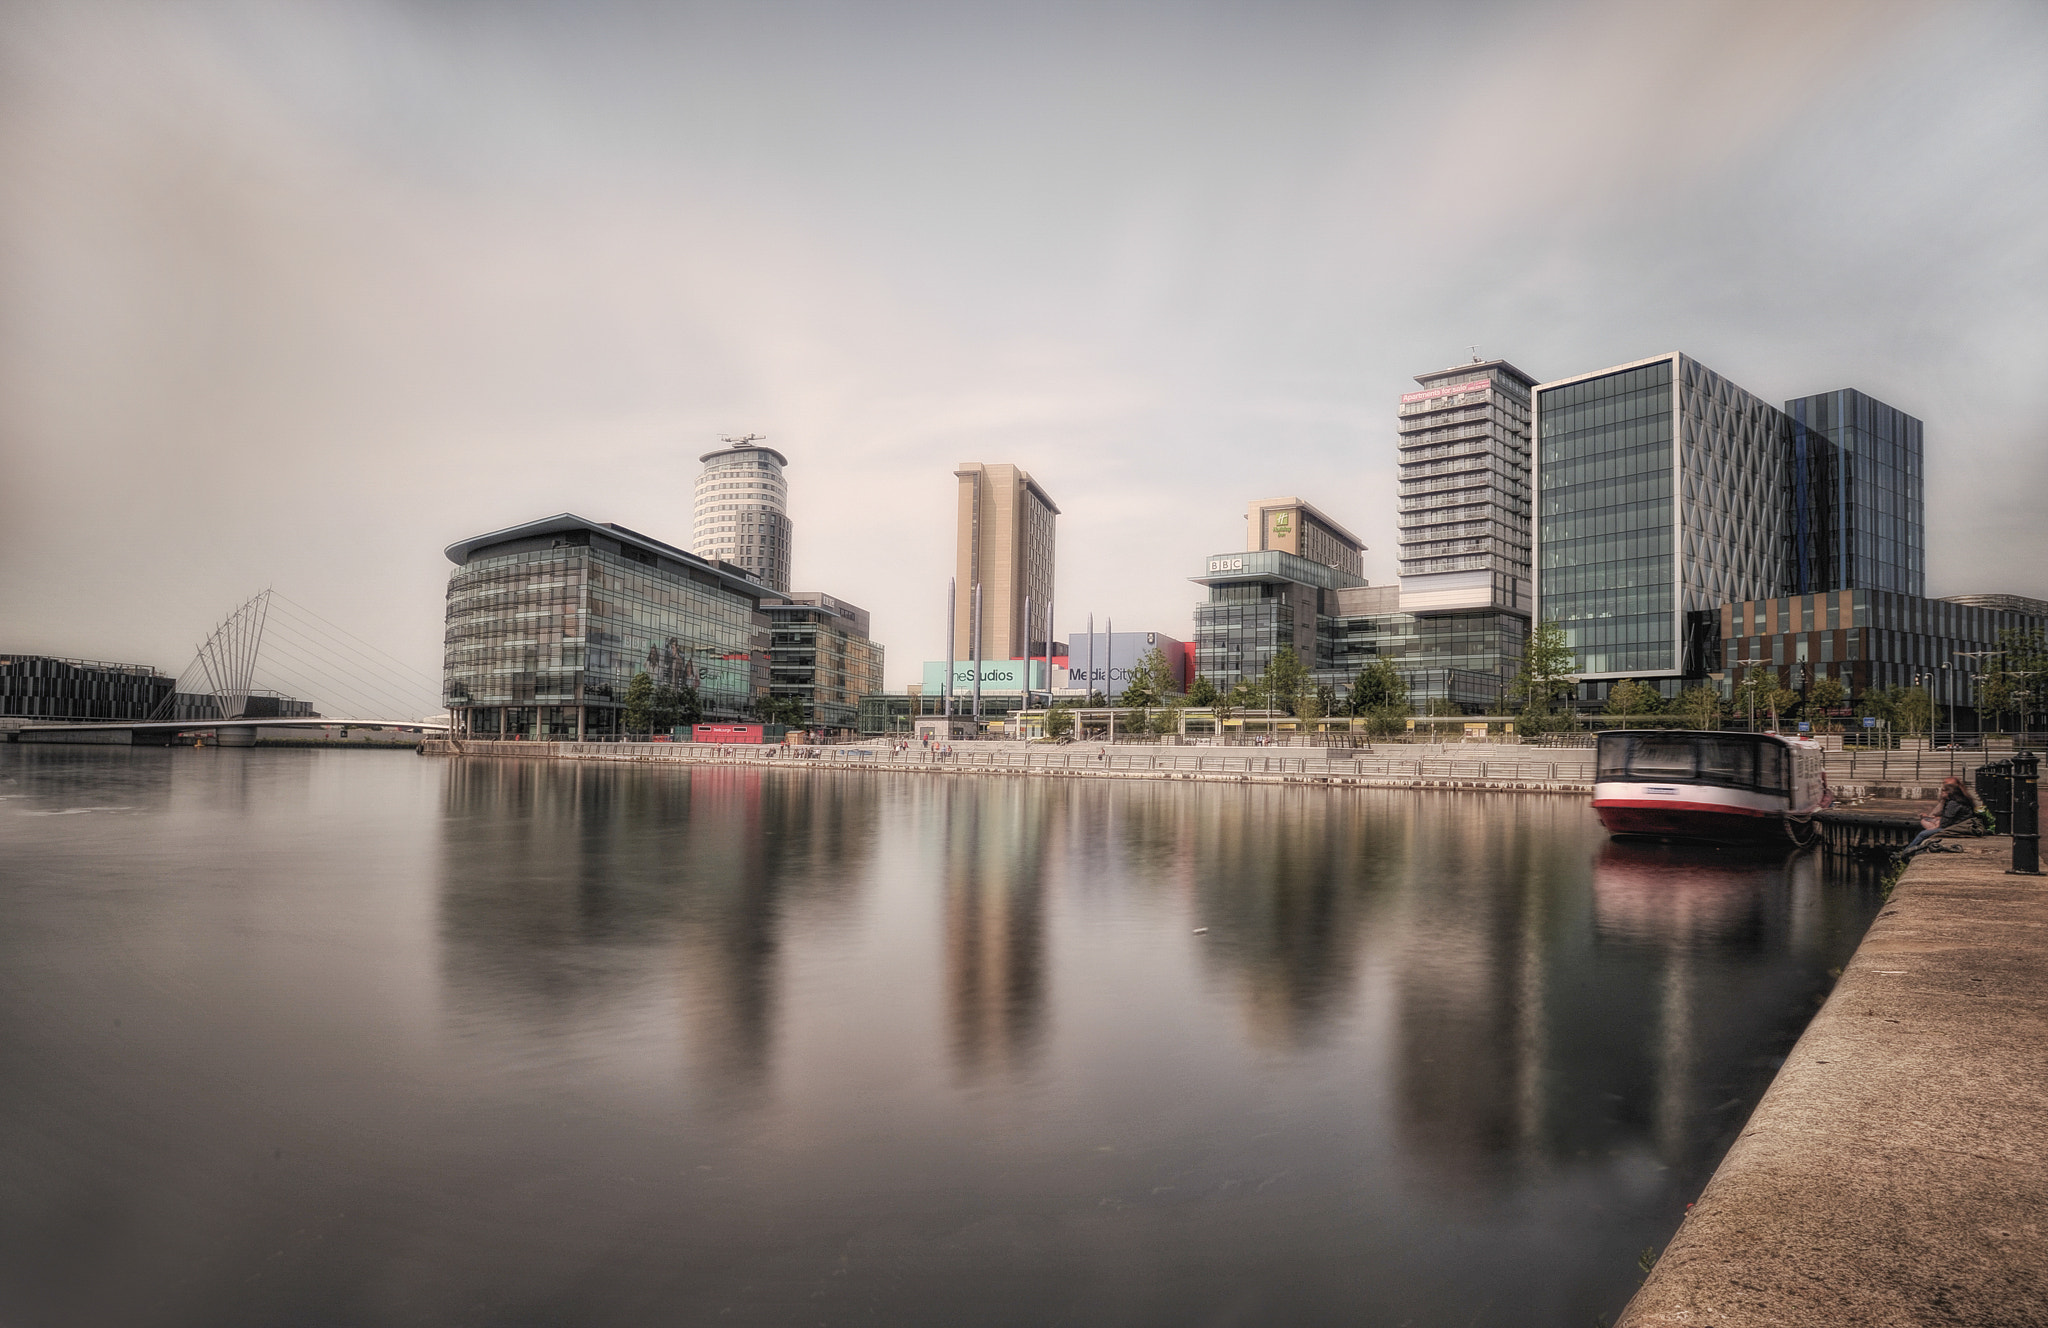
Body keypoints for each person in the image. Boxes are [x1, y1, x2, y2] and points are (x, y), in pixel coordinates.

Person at [1900, 776, 1980, 856]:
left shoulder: (1953, 804)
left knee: (1923, 834)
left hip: (1954, 827)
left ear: (1949, 792)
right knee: (1926, 820)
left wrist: (1936, 825)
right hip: (1953, 823)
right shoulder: (1955, 801)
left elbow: (1945, 822)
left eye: (1943, 792)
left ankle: (1905, 853)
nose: (1941, 793)